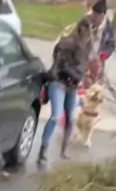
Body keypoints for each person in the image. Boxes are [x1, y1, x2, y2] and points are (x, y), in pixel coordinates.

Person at [38, 17, 92, 166]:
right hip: (59, 81)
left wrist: (82, 78)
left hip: (72, 85)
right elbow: (57, 64)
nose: (88, 34)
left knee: (71, 117)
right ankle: (43, 150)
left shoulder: (87, 46)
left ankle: (63, 150)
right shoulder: (66, 43)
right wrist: (62, 74)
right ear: (81, 29)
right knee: (56, 117)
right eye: (87, 30)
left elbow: (84, 67)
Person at [88, 0, 115, 77]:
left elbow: (111, 44)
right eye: (93, 14)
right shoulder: (87, 23)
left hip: (99, 62)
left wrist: (104, 55)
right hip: (85, 60)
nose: (93, 17)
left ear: (102, 16)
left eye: (96, 15)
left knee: (97, 82)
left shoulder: (108, 27)